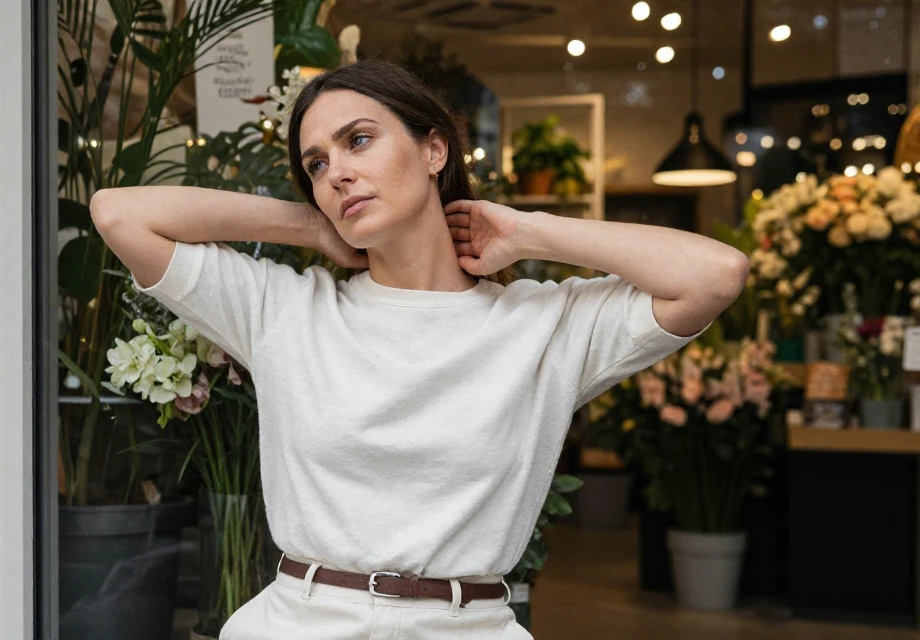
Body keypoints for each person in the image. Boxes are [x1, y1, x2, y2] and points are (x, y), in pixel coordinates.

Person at [90, 58, 748, 639]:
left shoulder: (543, 328)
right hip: (301, 623)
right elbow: (119, 214)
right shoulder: (283, 309)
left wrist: (531, 231)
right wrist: (312, 226)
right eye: (317, 164)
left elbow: (714, 275)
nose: (338, 172)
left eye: (359, 140)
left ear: (435, 150)